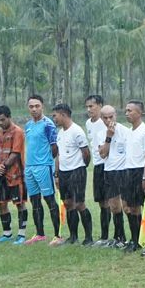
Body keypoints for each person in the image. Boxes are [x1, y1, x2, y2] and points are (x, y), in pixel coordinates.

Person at [50, 103, 91, 245]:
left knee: (79, 204)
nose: (54, 119)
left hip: (77, 171)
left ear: (63, 114)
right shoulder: (60, 133)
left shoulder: (77, 131)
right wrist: (56, 175)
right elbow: (59, 156)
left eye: (55, 116)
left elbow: (86, 153)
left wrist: (80, 168)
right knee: (67, 204)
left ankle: (89, 237)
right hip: (63, 173)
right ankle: (73, 236)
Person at [21, 95, 59, 244]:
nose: (34, 109)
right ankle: (40, 233)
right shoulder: (28, 125)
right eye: (31, 106)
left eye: (37, 106)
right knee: (35, 201)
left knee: (50, 200)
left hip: (44, 167)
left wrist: (48, 162)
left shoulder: (48, 124)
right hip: (29, 168)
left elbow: (54, 147)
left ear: (42, 106)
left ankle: (58, 234)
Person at [123, 101, 145, 254]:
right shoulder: (129, 131)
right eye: (126, 110)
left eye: (130, 110)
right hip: (129, 172)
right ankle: (136, 240)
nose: (127, 113)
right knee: (132, 208)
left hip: (141, 173)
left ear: (139, 113)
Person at [0, 105, 26, 242]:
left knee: (19, 203)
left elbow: (15, 153)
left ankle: (22, 234)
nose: (0, 123)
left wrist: (3, 166)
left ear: (9, 117)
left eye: (2, 120)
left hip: (15, 175)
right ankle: (7, 233)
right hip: (1, 175)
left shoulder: (18, 132)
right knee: (1, 202)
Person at [96, 104, 129, 246]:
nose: (109, 120)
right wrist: (108, 137)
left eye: (111, 116)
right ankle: (119, 236)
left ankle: (134, 237)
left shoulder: (126, 131)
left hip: (125, 171)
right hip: (110, 172)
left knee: (128, 206)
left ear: (116, 115)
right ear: (101, 118)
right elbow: (103, 154)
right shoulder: (100, 134)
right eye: (105, 117)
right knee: (114, 206)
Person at [84, 95, 111, 244]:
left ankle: (108, 236)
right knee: (101, 201)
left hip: (108, 165)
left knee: (110, 201)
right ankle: (103, 236)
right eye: (87, 107)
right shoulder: (88, 123)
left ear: (100, 105)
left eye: (92, 106)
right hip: (97, 165)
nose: (89, 110)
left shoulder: (105, 122)